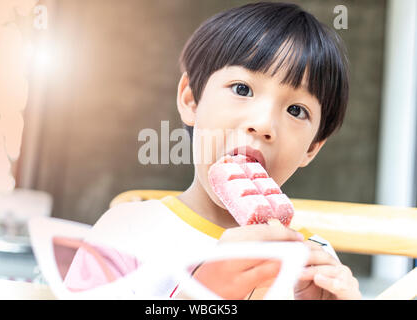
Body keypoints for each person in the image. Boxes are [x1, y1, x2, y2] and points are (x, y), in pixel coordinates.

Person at [64, 1, 361, 300]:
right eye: (242, 89)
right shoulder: (128, 232)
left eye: (296, 110)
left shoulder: (316, 265)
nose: (263, 124)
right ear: (192, 101)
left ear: (311, 148)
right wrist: (198, 296)